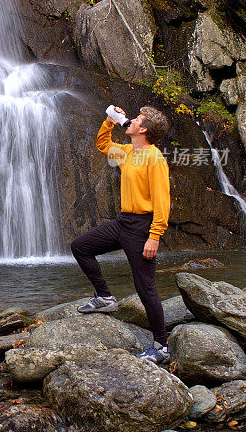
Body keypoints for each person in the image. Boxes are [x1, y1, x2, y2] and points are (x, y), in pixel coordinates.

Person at [71, 105, 171, 364]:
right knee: (81, 247)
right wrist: (109, 120)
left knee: (145, 286)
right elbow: (103, 144)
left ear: (144, 129)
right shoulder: (128, 152)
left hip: (142, 227)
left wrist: (155, 235)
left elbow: (162, 200)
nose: (131, 120)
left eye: (136, 119)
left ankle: (161, 346)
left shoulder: (154, 158)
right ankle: (104, 296)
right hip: (123, 222)